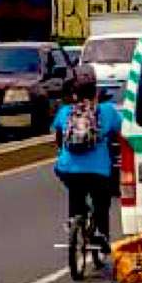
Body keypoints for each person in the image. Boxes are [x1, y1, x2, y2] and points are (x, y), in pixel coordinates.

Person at [53, 66, 121, 250]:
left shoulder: (65, 111)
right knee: (101, 200)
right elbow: (122, 132)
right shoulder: (108, 110)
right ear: (95, 90)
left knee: (75, 191)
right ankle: (101, 232)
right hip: (98, 170)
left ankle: (74, 220)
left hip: (68, 168)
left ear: (74, 92)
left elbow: (58, 138)